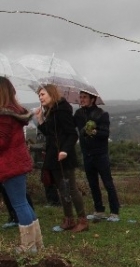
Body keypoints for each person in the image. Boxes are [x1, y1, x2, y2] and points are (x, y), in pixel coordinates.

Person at [35, 84, 88, 232]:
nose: (40, 97)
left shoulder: (62, 110)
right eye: (39, 95)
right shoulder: (51, 112)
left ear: (52, 94)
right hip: (54, 155)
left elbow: (72, 134)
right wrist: (40, 120)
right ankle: (69, 219)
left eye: (43, 94)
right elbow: (50, 133)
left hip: (64, 156)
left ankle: (82, 220)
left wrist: (65, 150)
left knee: (71, 188)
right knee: (62, 188)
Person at [0, 76, 43, 252]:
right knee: (22, 203)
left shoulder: (4, 115)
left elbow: (1, 142)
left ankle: (28, 246)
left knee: (19, 204)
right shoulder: (14, 112)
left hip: (10, 165)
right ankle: (36, 243)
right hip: (17, 163)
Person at [74, 90, 121, 222]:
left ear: (92, 99)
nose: (81, 99)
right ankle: (99, 210)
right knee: (93, 184)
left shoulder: (101, 114)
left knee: (107, 183)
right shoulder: (78, 113)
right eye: (80, 97)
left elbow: (105, 134)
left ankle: (114, 211)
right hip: (86, 153)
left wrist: (94, 131)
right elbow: (71, 127)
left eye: (84, 97)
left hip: (100, 154)